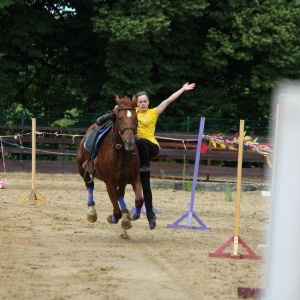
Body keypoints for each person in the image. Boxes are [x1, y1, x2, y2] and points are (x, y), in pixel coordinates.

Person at [135, 82, 196, 230]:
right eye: (140, 102)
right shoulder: (133, 113)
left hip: (151, 147)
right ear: (136, 104)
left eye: (145, 101)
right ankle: (151, 215)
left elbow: (168, 100)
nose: (143, 104)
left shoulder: (153, 112)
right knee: (146, 187)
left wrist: (182, 89)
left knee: (138, 140)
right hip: (137, 153)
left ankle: (144, 164)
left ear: (148, 102)